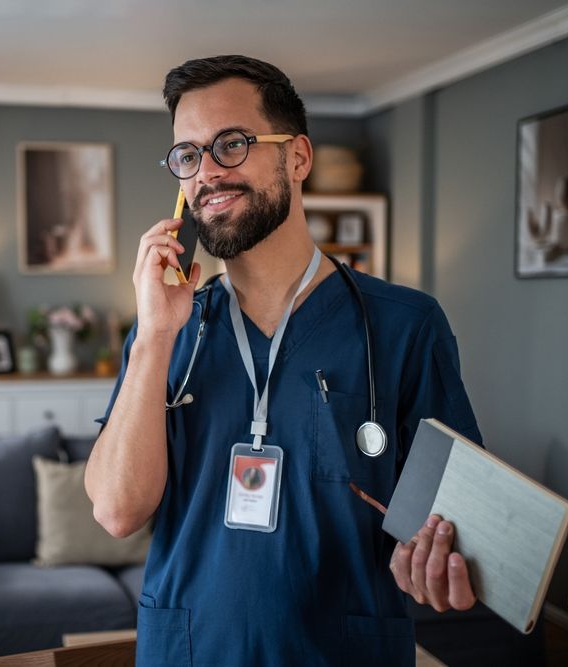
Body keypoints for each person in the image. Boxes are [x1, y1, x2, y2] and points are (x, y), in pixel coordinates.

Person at [85, 55, 482, 666]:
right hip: (192, 652)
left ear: (297, 157)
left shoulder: (405, 326)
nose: (207, 173)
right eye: (188, 155)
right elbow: (116, 511)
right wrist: (154, 337)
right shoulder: (166, 329)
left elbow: (453, 521)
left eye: (232, 144)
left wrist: (431, 557)